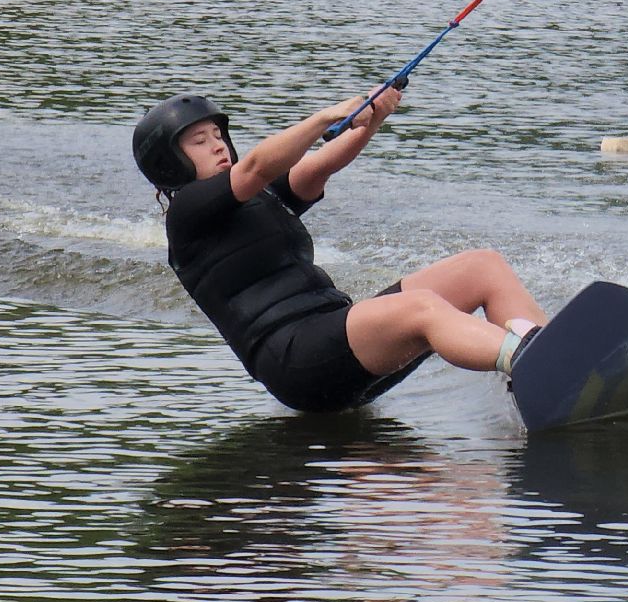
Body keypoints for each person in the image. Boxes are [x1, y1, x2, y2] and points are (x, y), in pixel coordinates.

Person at [133, 87, 547, 413]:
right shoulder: (186, 212)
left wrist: (374, 115)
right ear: (171, 164)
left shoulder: (262, 198)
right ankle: (537, 365)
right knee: (422, 305)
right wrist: (327, 115)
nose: (220, 145)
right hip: (294, 360)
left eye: (219, 135)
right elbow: (259, 164)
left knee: (482, 267)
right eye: (200, 142)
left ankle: (554, 356)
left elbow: (321, 165)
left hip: (335, 340)